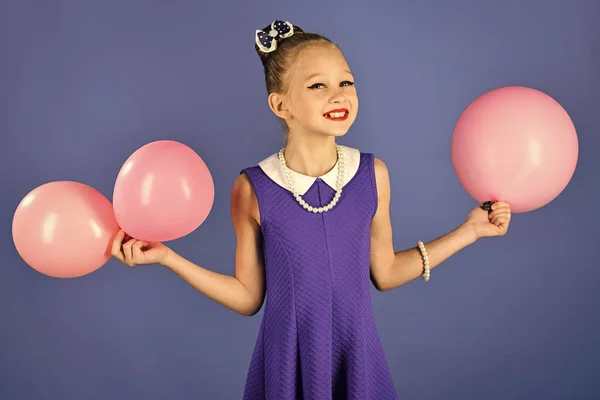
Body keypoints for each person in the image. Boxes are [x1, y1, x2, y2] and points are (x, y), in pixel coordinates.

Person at [111, 19, 512, 399]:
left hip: (356, 358)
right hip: (287, 363)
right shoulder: (253, 188)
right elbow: (249, 296)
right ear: (280, 105)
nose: (338, 95)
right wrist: (168, 258)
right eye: (318, 85)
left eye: (346, 82)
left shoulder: (372, 175)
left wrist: (470, 231)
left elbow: (385, 272)